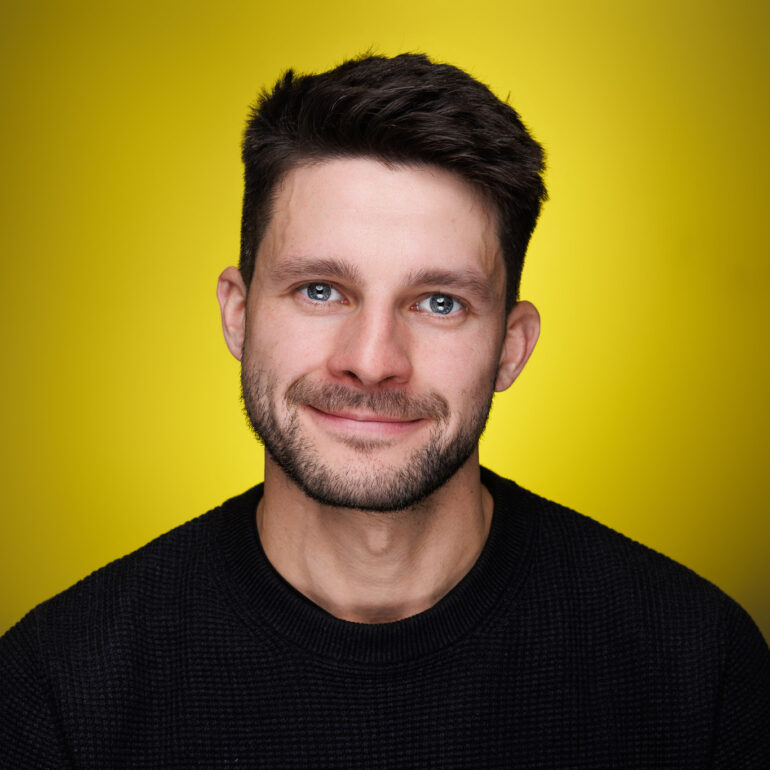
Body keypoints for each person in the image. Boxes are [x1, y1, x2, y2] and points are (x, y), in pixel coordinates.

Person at [1, 53, 768, 768]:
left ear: (511, 346)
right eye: (320, 290)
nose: (372, 361)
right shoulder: (57, 689)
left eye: (439, 302)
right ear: (238, 313)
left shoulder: (700, 668)